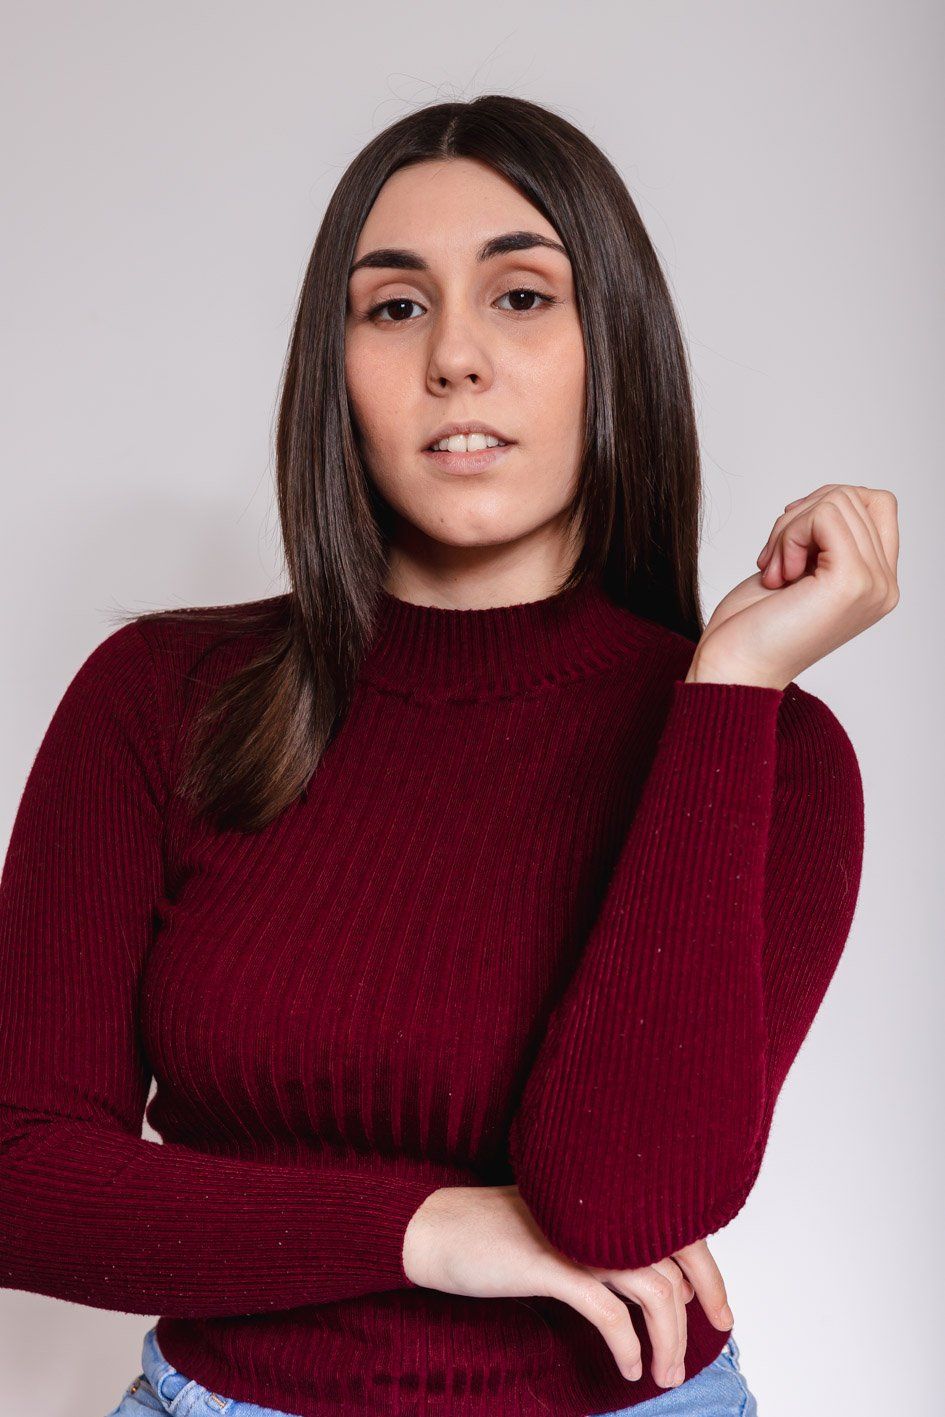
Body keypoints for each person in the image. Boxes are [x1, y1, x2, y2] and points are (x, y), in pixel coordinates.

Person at [0, 94, 897, 1417]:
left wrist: (728, 687)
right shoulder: (159, 697)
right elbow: (18, 1173)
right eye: (396, 307)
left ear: (615, 349)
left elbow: (620, 1202)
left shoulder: (768, 749)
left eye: (522, 297)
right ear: (337, 370)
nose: (455, 359)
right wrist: (425, 1228)